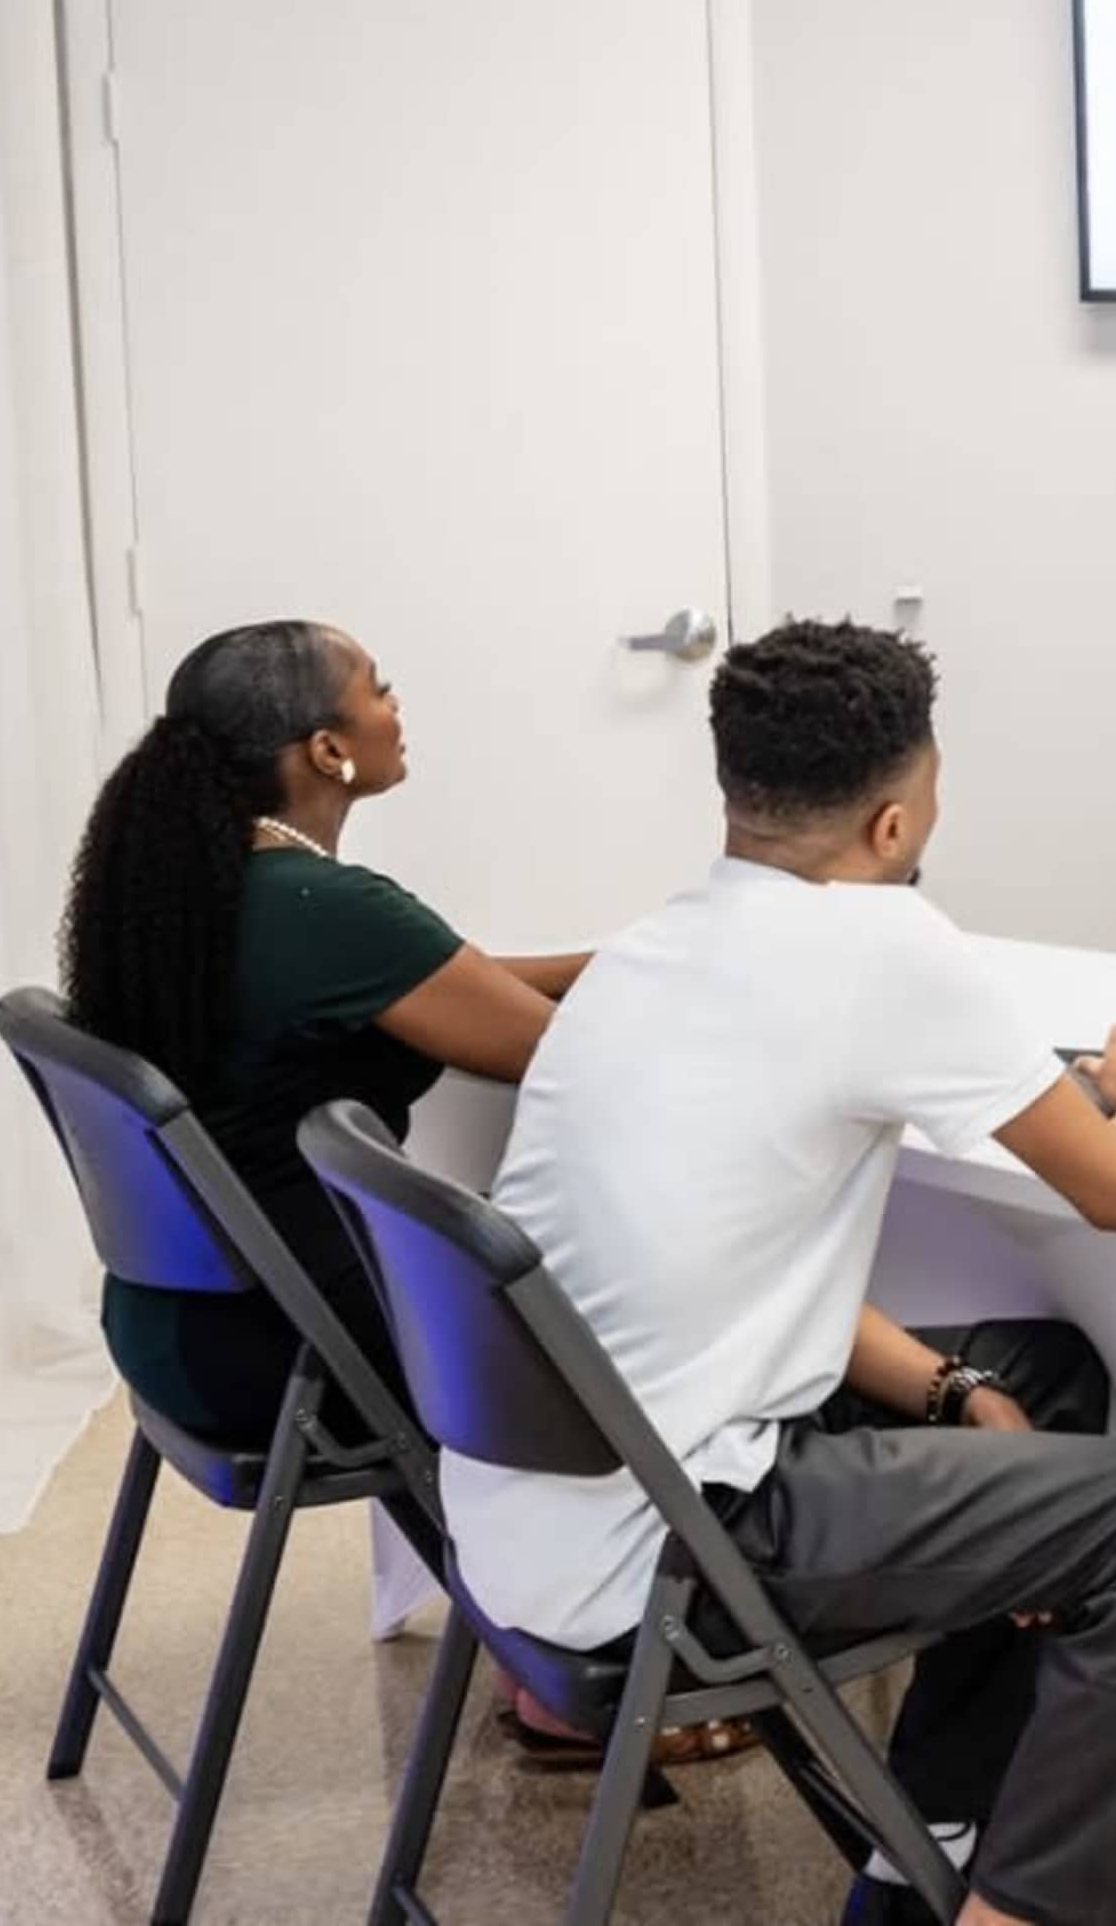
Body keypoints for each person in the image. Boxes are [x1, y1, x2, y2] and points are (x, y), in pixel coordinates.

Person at [441, 619, 1116, 1926]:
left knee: (1041, 1372)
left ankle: (932, 1830)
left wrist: (951, 1390)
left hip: (528, 1519)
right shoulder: (888, 949)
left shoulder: (648, 950)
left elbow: (734, 1283)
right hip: (675, 1546)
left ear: (735, 792)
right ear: (894, 824)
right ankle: (1037, 1911)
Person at [55, 621, 706, 1767]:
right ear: (327, 749)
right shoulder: (318, 905)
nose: (399, 703)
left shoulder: (204, 884)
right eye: (379, 687)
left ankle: (541, 1642)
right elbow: (553, 1051)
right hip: (293, 1351)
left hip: (181, 1330)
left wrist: (647, 952)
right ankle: (587, 1684)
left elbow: (447, 977)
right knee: (648, 1323)